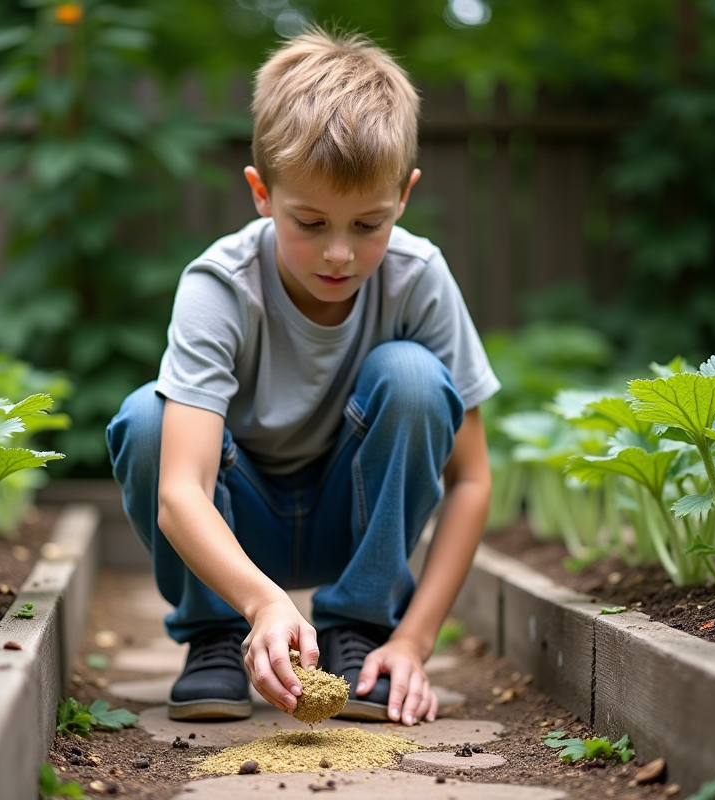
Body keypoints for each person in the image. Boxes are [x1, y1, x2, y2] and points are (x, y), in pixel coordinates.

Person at [107, 27, 498, 728]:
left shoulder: (419, 279)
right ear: (262, 193)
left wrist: (416, 639)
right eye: (310, 222)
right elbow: (178, 492)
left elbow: (470, 480)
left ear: (404, 197)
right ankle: (216, 636)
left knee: (412, 377)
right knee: (147, 420)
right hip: (237, 530)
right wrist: (260, 602)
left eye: (369, 223)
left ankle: (362, 631)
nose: (341, 253)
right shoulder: (220, 286)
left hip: (349, 525)